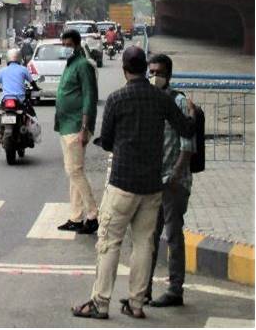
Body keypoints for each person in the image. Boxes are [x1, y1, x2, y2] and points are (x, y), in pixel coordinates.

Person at [72, 46, 194, 320]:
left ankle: (101, 302)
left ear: (125, 69)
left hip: (122, 183)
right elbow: (186, 128)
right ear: (144, 69)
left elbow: (107, 139)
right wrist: (192, 114)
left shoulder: (117, 98)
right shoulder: (161, 99)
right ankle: (137, 303)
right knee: (144, 244)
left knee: (109, 242)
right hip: (151, 186)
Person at [141, 53, 197, 308]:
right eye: (151, 72)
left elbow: (188, 145)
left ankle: (175, 290)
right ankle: (144, 289)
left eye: (159, 72)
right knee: (150, 237)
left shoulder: (180, 102)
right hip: (153, 181)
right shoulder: (149, 100)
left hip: (174, 183)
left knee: (173, 235)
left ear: (169, 75)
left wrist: (174, 175)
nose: (154, 77)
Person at [55, 29, 99, 235]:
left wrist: (84, 128)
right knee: (71, 171)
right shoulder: (70, 64)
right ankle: (76, 216)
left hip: (76, 127)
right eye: (63, 45)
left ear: (77, 45)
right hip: (65, 125)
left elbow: (89, 98)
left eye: (68, 45)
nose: (65, 49)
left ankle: (92, 215)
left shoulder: (83, 66)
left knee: (75, 171)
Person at [0, 48, 38, 139]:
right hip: (20, 99)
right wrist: (36, 88)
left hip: (6, 99)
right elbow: (32, 82)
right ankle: (29, 131)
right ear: (19, 58)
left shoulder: (3, 70)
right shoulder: (23, 69)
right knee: (30, 113)